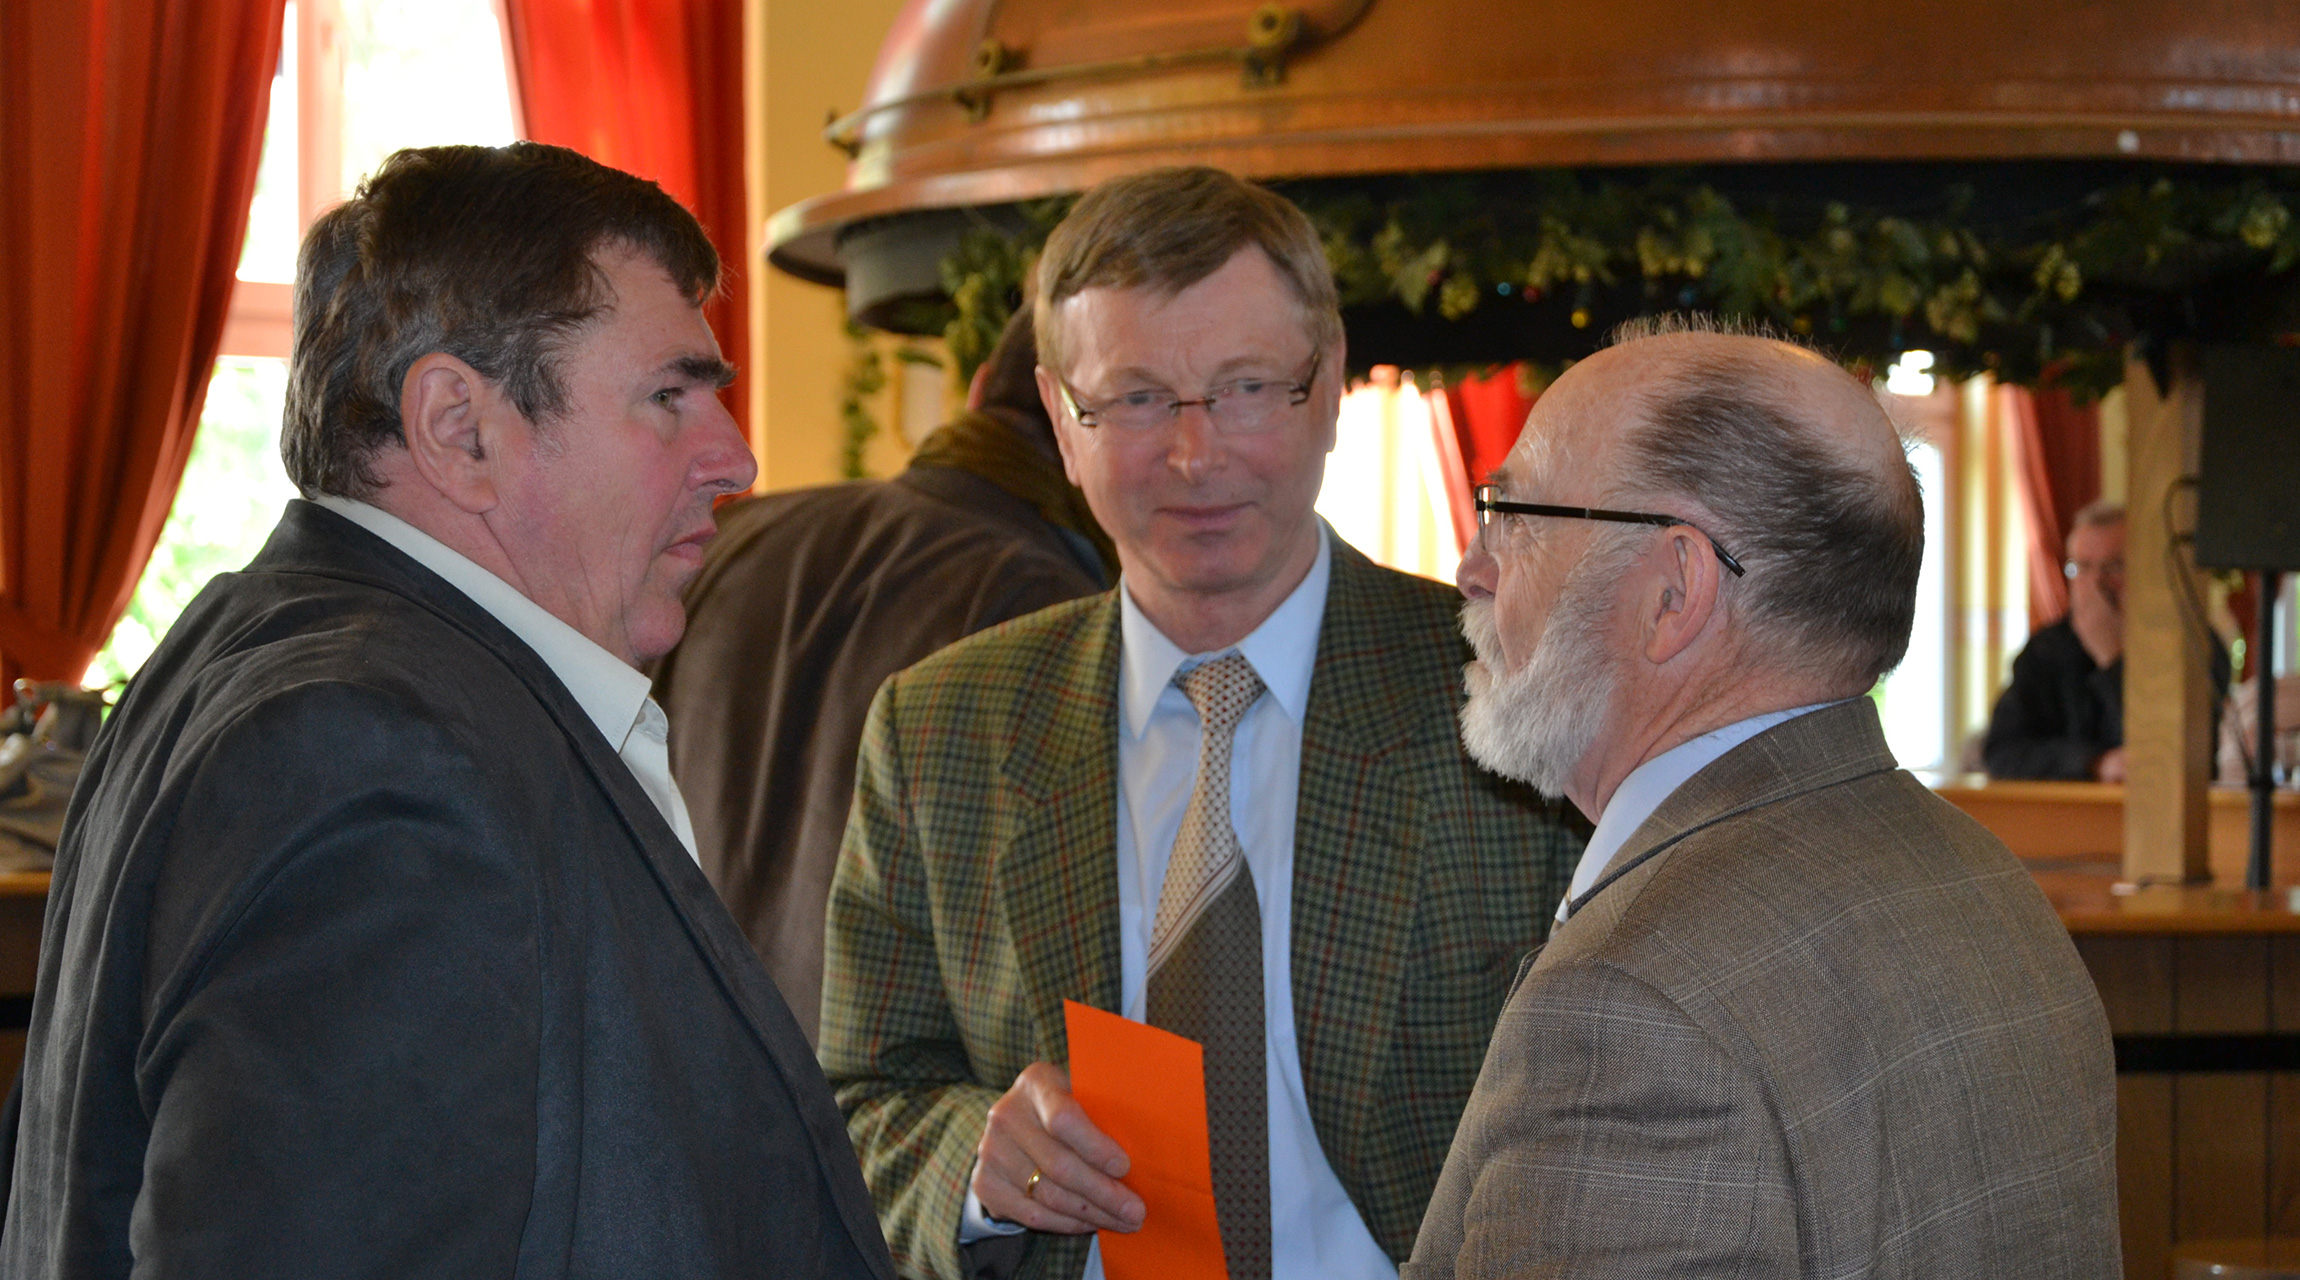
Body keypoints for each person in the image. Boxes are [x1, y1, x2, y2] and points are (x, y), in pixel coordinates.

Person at [2, 143, 896, 1279]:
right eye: (669, 395)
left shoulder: (272, 656)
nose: (735, 456)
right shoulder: (377, 752)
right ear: (458, 427)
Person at [820, 166, 1586, 1280]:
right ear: (1057, 417)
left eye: (1242, 388)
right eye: (1133, 398)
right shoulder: (939, 727)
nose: (1194, 454)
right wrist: (968, 1162)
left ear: (1325, 386)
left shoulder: (1511, 692)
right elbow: (857, 1098)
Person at [1405, 318, 2121, 1278]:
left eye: (1519, 516)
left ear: (1674, 591)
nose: (1474, 568)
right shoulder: (1984, 880)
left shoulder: (1630, 1003)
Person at [651, 308, 1112, 1043]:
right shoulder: (1057, 620)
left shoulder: (736, 535)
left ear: (979, 388)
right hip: (886, 1123)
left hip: (682, 1081)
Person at [1984, 500, 2228, 781]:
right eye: (2083, 567)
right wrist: (2094, 762)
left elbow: (2190, 754)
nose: (2096, 583)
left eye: (2114, 567)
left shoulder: (2194, 643)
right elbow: (2001, 752)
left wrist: (2113, 660)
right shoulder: (2046, 649)